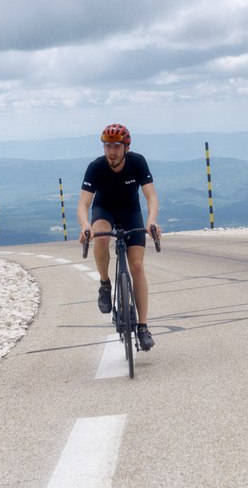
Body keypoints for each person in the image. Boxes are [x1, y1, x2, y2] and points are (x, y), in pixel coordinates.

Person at [77, 123, 161, 351]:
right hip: (104, 211)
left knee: (137, 267)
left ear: (126, 147)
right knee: (101, 238)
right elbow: (84, 203)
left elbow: (151, 196)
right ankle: (105, 284)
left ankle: (143, 327)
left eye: (116, 146)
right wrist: (86, 226)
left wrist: (151, 220)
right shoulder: (95, 167)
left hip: (131, 213)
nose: (111, 151)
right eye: (107, 146)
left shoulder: (137, 162)